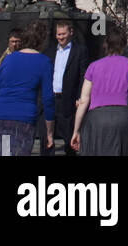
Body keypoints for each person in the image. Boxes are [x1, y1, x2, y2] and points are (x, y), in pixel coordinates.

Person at [0, 20, 54, 157]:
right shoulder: (44, 62)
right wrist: (49, 132)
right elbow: (48, 100)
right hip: (22, 119)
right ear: (42, 40)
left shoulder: (7, 59)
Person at [71, 24, 128, 156]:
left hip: (96, 120)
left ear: (106, 44)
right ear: (124, 44)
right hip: (124, 119)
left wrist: (76, 130)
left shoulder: (93, 66)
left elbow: (84, 100)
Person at [43, 19, 90, 157]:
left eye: (63, 34)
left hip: (68, 100)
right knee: (47, 139)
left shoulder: (80, 50)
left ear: (71, 32)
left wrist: (80, 97)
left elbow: (83, 75)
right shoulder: (49, 51)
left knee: (69, 139)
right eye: (58, 34)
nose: (60, 37)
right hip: (51, 99)